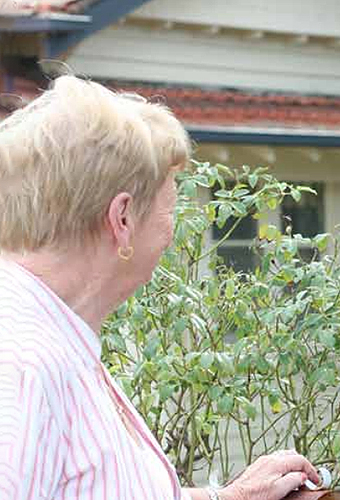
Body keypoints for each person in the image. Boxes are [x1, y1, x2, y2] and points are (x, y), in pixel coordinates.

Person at [0, 75, 320, 500]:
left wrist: (231, 497)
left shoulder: (53, 329)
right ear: (123, 219)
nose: (172, 232)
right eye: (171, 208)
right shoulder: (22, 367)